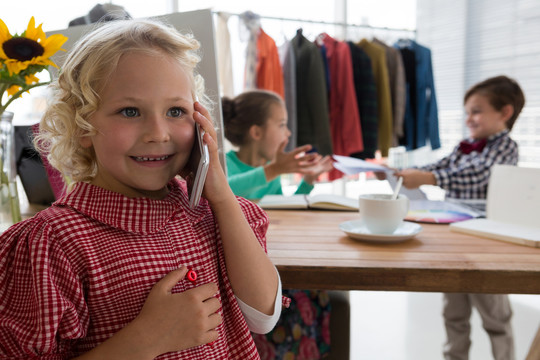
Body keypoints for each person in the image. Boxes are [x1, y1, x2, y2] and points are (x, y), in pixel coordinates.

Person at [0, 18, 285, 359]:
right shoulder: (54, 243)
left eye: (176, 111)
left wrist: (221, 197)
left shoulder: (217, 216)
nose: (158, 133)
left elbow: (263, 315)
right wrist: (147, 338)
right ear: (82, 127)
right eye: (130, 111)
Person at [394, 75, 525, 360]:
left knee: (495, 315)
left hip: (485, 244)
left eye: (476, 111)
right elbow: (439, 165)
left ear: (504, 113)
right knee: (453, 311)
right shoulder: (465, 145)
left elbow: (477, 174)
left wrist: (428, 177)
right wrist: (405, 173)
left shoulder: (505, 148)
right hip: (453, 240)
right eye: (467, 112)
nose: (469, 119)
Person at [222, 90, 334, 359]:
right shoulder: (225, 165)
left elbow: (280, 205)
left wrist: (308, 181)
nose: (288, 133)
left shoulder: (269, 169)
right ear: (256, 132)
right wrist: (273, 170)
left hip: (272, 257)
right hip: (242, 270)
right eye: (282, 124)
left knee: (315, 292)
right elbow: (226, 190)